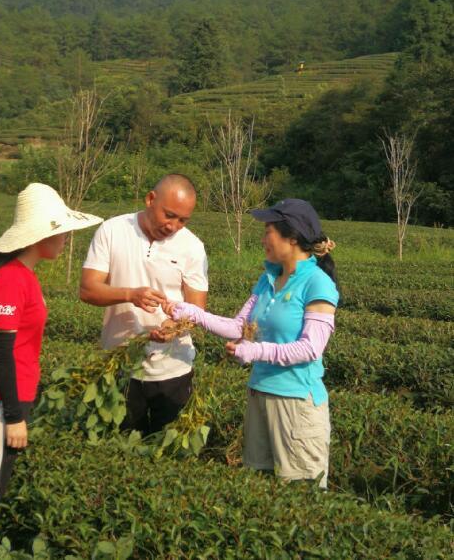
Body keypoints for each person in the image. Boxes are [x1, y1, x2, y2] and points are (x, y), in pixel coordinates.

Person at [0, 183, 102, 545]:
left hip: (4, 403)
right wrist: (14, 416)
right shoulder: (9, 279)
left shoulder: (23, 276)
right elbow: (2, 354)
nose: (66, 238)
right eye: (62, 231)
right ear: (40, 236)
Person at [163, 198, 338, 488]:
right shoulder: (269, 279)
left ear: (292, 237)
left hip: (295, 403)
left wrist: (255, 350)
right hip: (259, 395)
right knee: (259, 486)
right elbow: (239, 327)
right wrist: (193, 313)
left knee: (300, 492)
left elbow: (310, 348)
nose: (262, 239)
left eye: (268, 231)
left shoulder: (317, 283)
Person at [80, 174, 208, 436]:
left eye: (182, 220)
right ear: (150, 199)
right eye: (169, 215)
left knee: (166, 447)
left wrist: (173, 327)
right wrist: (130, 294)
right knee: (119, 445)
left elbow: (197, 309)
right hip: (119, 364)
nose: (173, 226)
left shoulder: (193, 247)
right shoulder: (112, 230)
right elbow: (88, 290)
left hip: (172, 368)